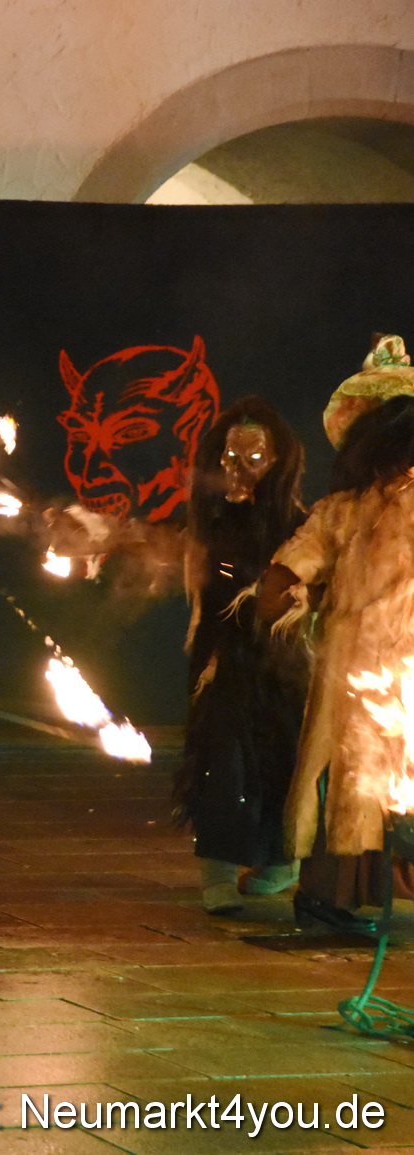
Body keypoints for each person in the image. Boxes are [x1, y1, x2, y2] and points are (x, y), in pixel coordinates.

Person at [259, 336, 414, 928]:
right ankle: (327, 897)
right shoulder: (343, 509)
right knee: (348, 777)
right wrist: (280, 592)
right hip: (351, 672)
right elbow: (296, 561)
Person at [172, 398, 309, 914]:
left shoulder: (300, 523)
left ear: (279, 462)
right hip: (222, 664)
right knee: (220, 760)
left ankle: (279, 862)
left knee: (282, 757)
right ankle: (219, 872)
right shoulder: (210, 523)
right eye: (230, 458)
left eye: (254, 458)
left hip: (284, 665)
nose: (239, 469)